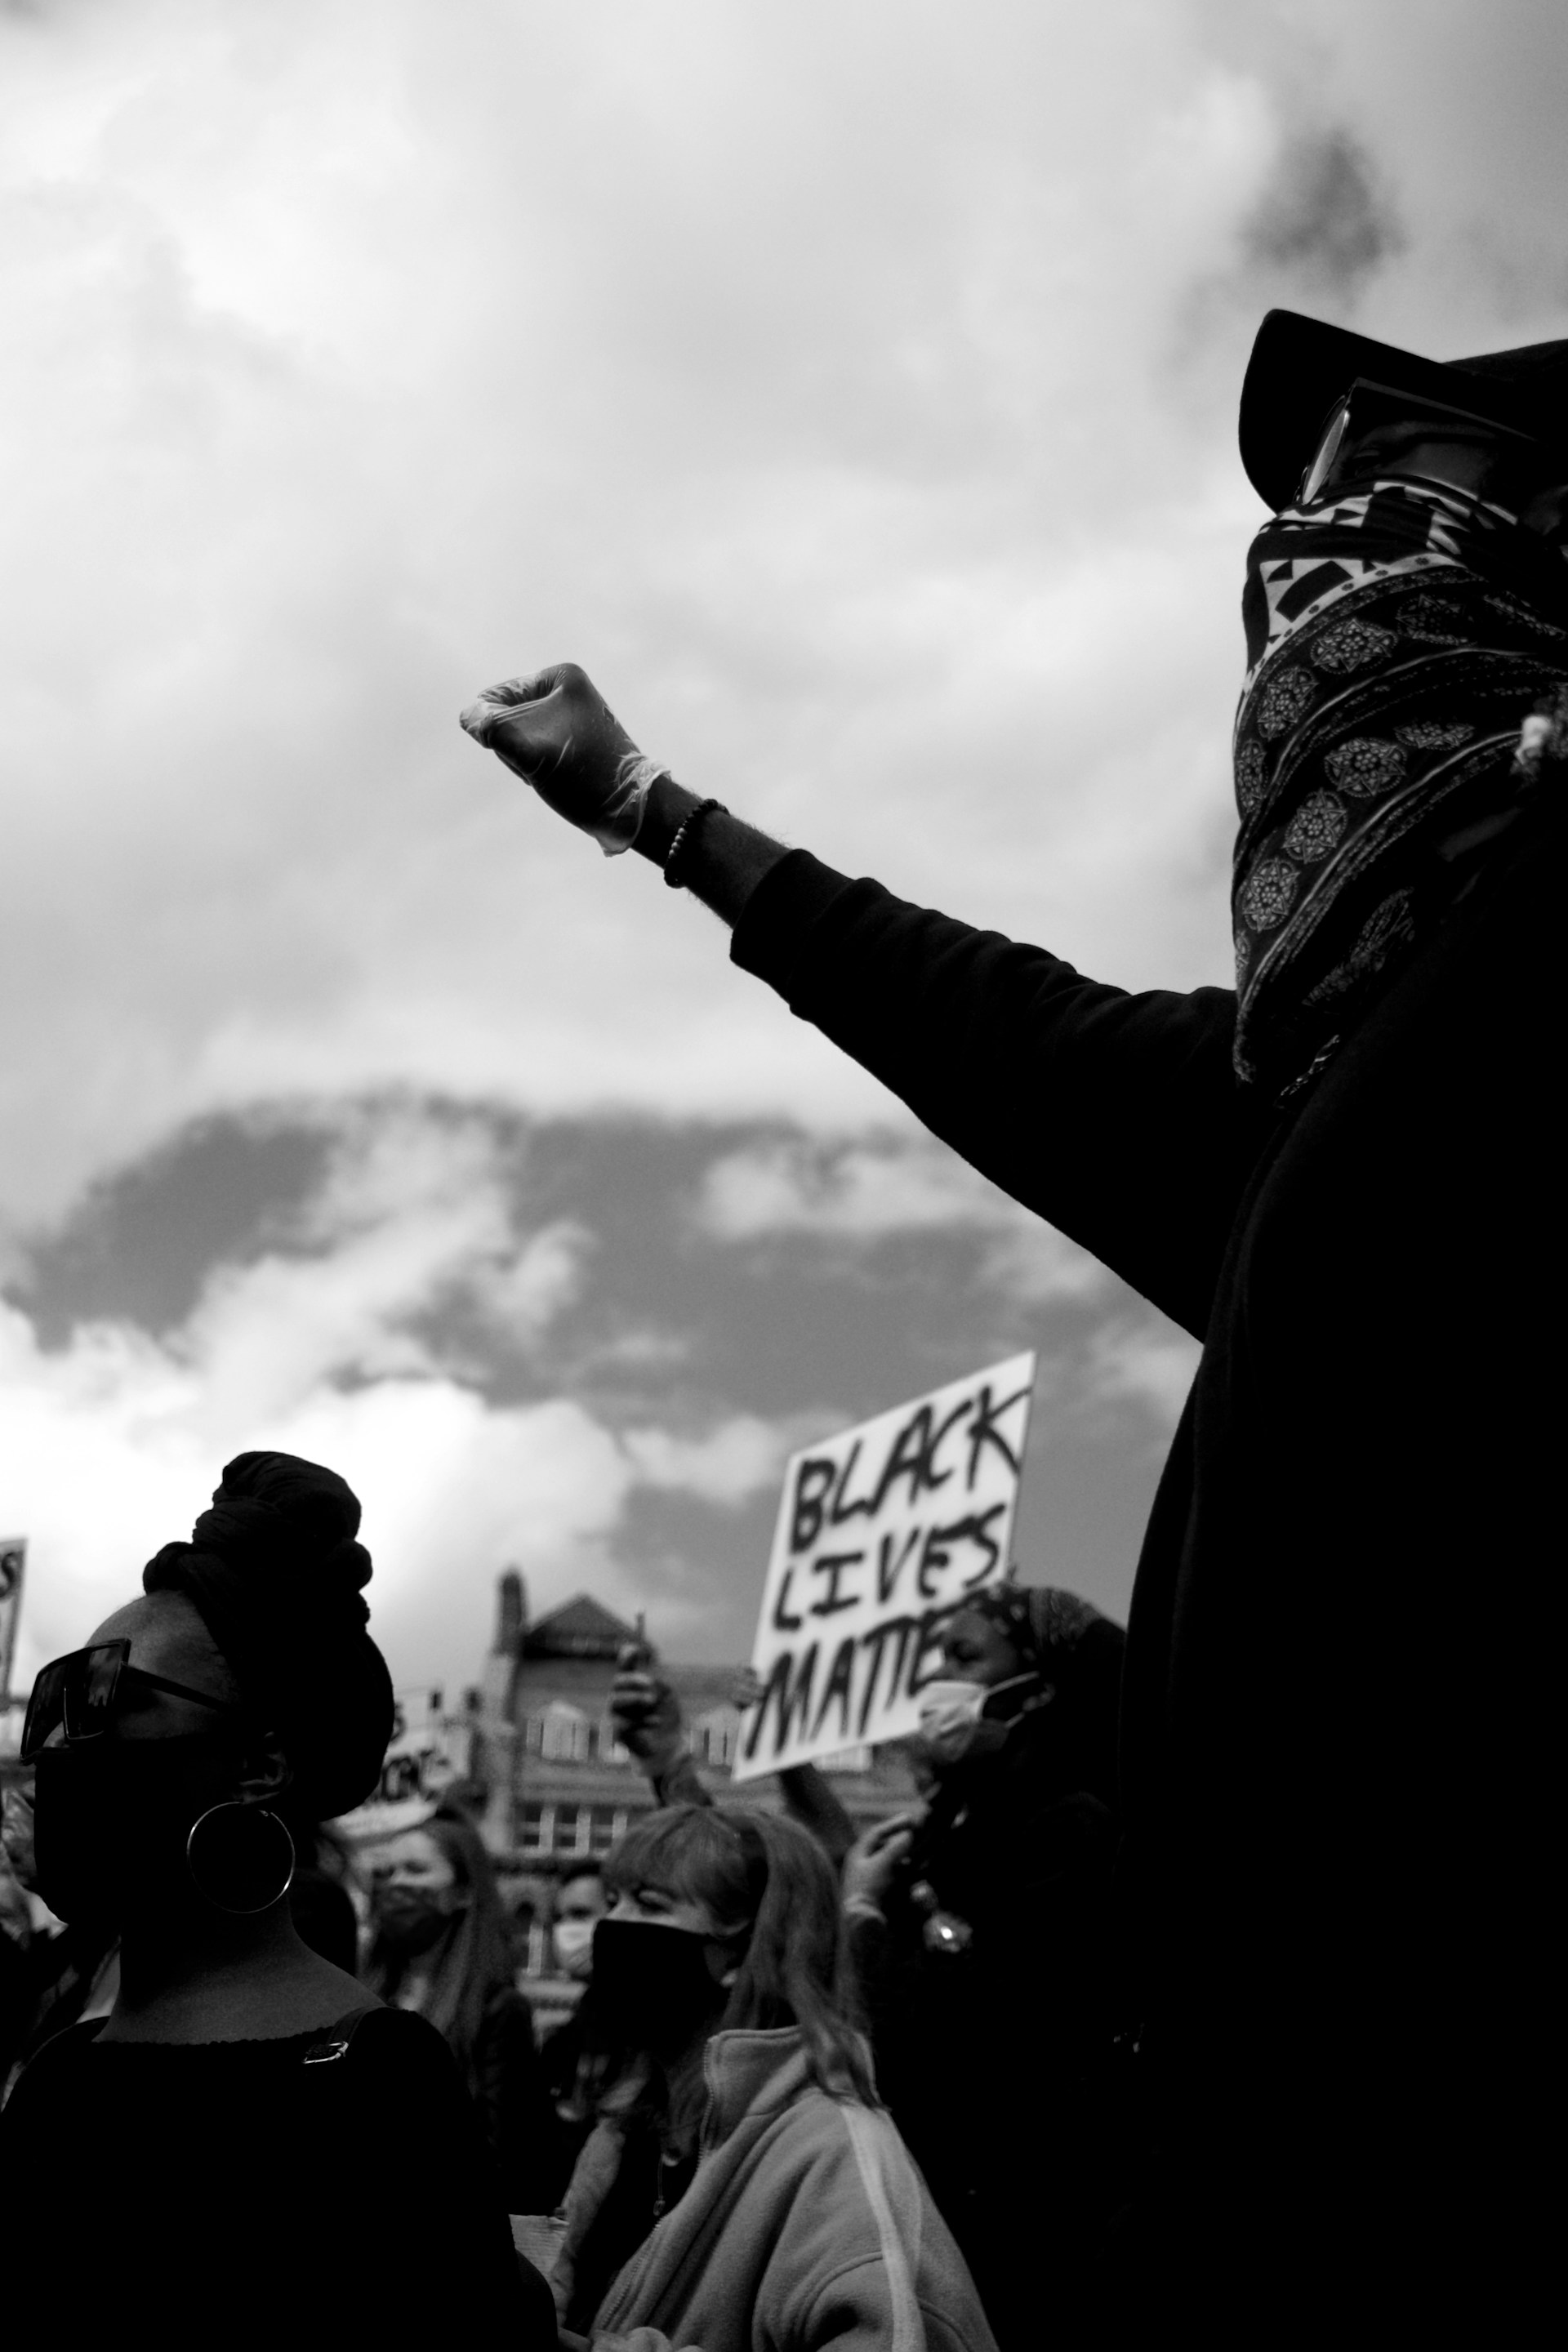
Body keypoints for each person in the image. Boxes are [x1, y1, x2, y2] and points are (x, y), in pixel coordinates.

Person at [458, 307, 1568, 2330]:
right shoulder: (1293, 1101)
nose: (1317, 552)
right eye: (1313, 505)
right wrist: (651, 803)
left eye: (1411, 480)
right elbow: (975, 1009)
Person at [0, 1450, 551, 2342]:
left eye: (110, 1700)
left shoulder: (377, 2086)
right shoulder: (63, 2079)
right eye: (55, 1703)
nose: (61, 1746)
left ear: (258, 1765)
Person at [551, 1802, 996, 2352]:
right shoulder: (624, 2132)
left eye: (649, 1905)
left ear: (743, 1950)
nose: (612, 1927)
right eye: (613, 1900)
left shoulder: (834, 2154)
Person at [840, 1584, 1125, 2346]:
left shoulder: (1070, 1825)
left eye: (965, 1657)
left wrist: (869, 1923)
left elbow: (973, 2021)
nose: (941, 1680)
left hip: (1020, 2226)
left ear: (1035, 1682)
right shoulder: (950, 1829)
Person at [364, 1802, 551, 2212]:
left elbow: (499, 2157)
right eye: (387, 1872)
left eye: (415, 1870)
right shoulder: (361, 1993)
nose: (396, 1884)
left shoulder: (498, 2010)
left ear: (464, 1892)